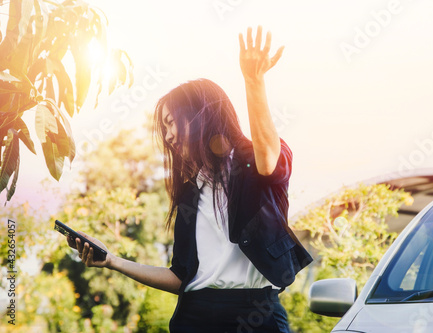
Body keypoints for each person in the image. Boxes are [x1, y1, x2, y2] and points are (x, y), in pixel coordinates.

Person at [67, 26, 313, 332]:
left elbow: (267, 158)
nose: (168, 137)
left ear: (199, 116)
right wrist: (112, 260)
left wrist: (253, 81)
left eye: (171, 123)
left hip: (257, 315)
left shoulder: (253, 162)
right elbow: (181, 277)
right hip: (194, 316)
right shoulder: (190, 191)